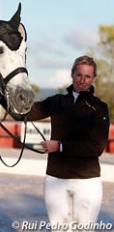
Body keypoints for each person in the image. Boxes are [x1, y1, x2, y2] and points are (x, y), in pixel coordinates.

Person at [22, 55, 110, 230]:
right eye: (79, 75)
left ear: (94, 78)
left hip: (87, 182)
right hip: (55, 179)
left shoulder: (99, 108)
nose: (82, 80)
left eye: (87, 76)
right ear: (72, 74)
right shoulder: (56, 102)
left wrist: (59, 146)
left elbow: (96, 148)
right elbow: (26, 113)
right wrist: (1, 94)